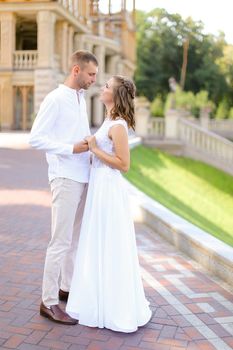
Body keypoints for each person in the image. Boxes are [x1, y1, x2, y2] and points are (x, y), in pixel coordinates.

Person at [66, 75, 152, 332]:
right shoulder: (108, 121)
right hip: (99, 188)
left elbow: (124, 165)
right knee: (95, 241)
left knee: (109, 243)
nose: (101, 87)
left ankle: (114, 307)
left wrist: (94, 149)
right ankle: (96, 299)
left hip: (109, 190)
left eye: (106, 86)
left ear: (114, 95)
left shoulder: (118, 126)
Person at [29, 50, 98, 325]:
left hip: (83, 177)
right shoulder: (56, 98)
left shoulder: (80, 98)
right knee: (60, 241)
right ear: (76, 70)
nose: (95, 79)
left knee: (75, 240)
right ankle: (48, 302)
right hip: (65, 178)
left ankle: (65, 288)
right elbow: (36, 138)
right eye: (91, 74)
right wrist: (71, 148)